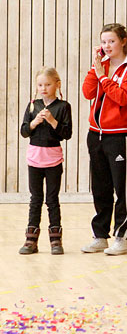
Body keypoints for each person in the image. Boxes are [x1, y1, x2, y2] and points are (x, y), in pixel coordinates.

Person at [81, 23, 127, 256]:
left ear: (123, 41)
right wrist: (95, 69)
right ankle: (100, 235)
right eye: (104, 41)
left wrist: (103, 77)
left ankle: (121, 236)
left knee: (122, 188)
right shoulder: (102, 65)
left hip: (119, 135)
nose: (107, 46)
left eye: (112, 41)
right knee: (100, 187)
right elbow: (88, 92)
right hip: (95, 134)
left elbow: (123, 97)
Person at [19, 67, 73, 255]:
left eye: (48, 84)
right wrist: (34, 123)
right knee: (35, 199)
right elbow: (24, 131)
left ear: (57, 85)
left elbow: (67, 134)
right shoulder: (33, 105)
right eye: (40, 84)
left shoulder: (63, 106)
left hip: (53, 159)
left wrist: (52, 121)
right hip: (34, 158)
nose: (44, 88)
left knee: (52, 199)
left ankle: (55, 240)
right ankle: (30, 240)